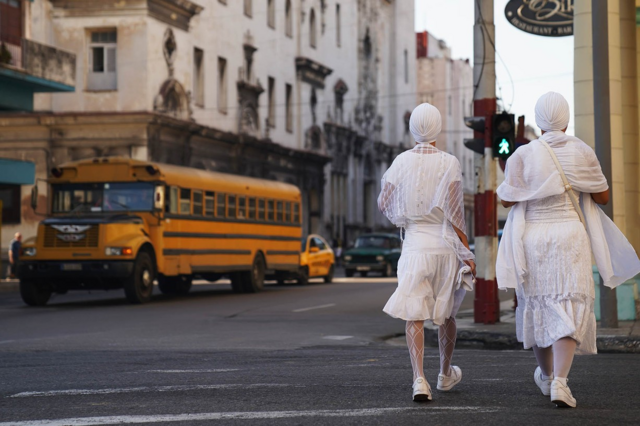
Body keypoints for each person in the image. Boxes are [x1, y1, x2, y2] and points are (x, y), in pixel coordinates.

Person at [497, 92, 640, 408]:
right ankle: (560, 381)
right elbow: (601, 196)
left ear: (538, 119)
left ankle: (547, 376)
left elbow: (507, 199)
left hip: (534, 236)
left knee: (539, 303)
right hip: (570, 235)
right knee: (568, 303)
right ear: (566, 118)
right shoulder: (581, 151)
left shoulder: (524, 154)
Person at [378, 103, 476, 402]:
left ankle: (419, 379)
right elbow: (456, 213)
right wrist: (467, 252)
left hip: (415, 244)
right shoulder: (449, 162)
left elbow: (384, 201)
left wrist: (405, 217)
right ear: (438, 128)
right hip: (445, 245)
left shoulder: (400, 162)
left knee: (414, 315)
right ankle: (445, 373)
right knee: (445, 314)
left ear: (412, 128)